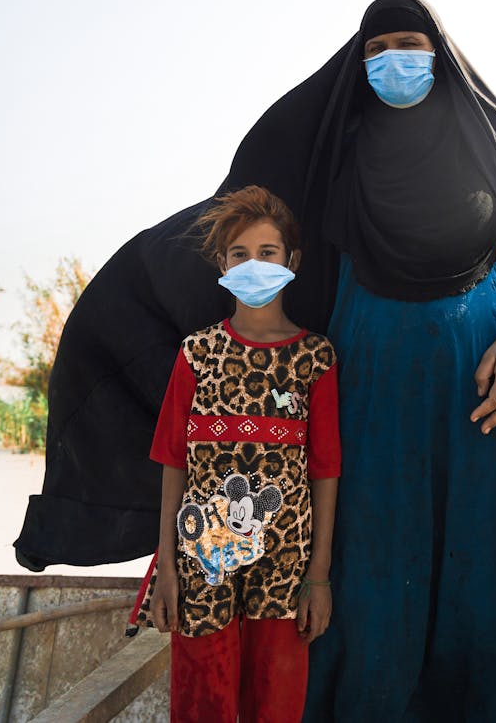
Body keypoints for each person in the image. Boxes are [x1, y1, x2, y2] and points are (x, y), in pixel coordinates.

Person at [16, 0, 496, 721]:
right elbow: (246, 231)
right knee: (371, 576)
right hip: (365, 392)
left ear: (440, 56)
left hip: (480, 395)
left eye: (408, 45)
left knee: (480, 579)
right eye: (374, 51)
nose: (392, 62)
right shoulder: (335, 140)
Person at [131, 185, 340, 723]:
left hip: (286, 560)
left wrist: (318, 575)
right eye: (239, 254)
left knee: (277, 697)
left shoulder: (314, 357)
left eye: (267, 253)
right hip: (201, 558)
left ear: (291, 261)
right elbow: (173, 461)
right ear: (221, 264)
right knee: (203, 693)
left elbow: (325, 469)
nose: (254, 265)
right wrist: (166, 568)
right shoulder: (196, 354)